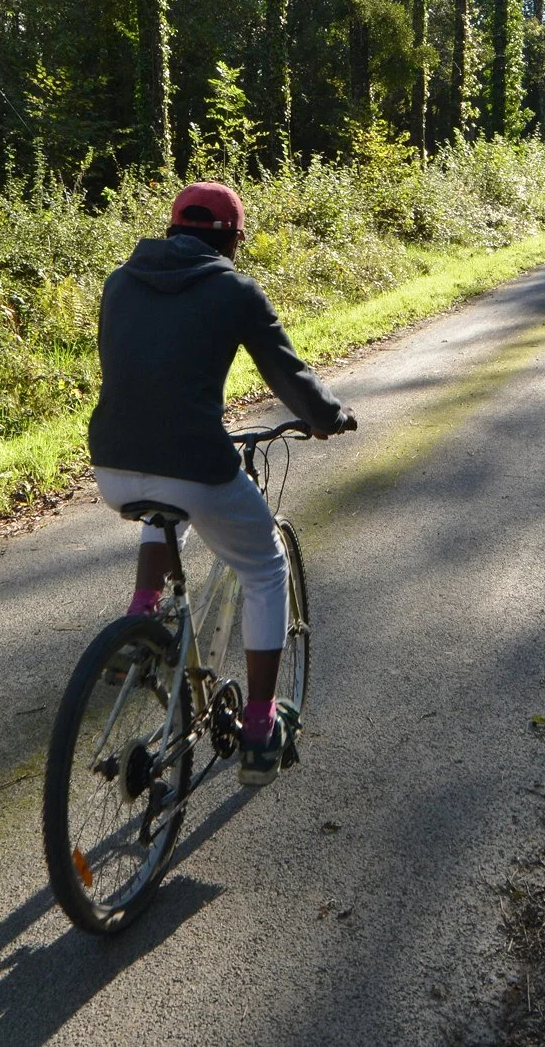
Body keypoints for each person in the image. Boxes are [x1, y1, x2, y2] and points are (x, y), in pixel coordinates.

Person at [88, 181, 356, 786]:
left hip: (110, 464)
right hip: (196, 465)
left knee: (165, 510)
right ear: (232, 239)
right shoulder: (234, 290)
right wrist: (328, 416)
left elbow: (144, 375)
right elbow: (288, 373)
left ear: (173, 228)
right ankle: (261, 729)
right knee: (264, 567)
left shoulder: (119, 281)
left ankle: (142, 616)